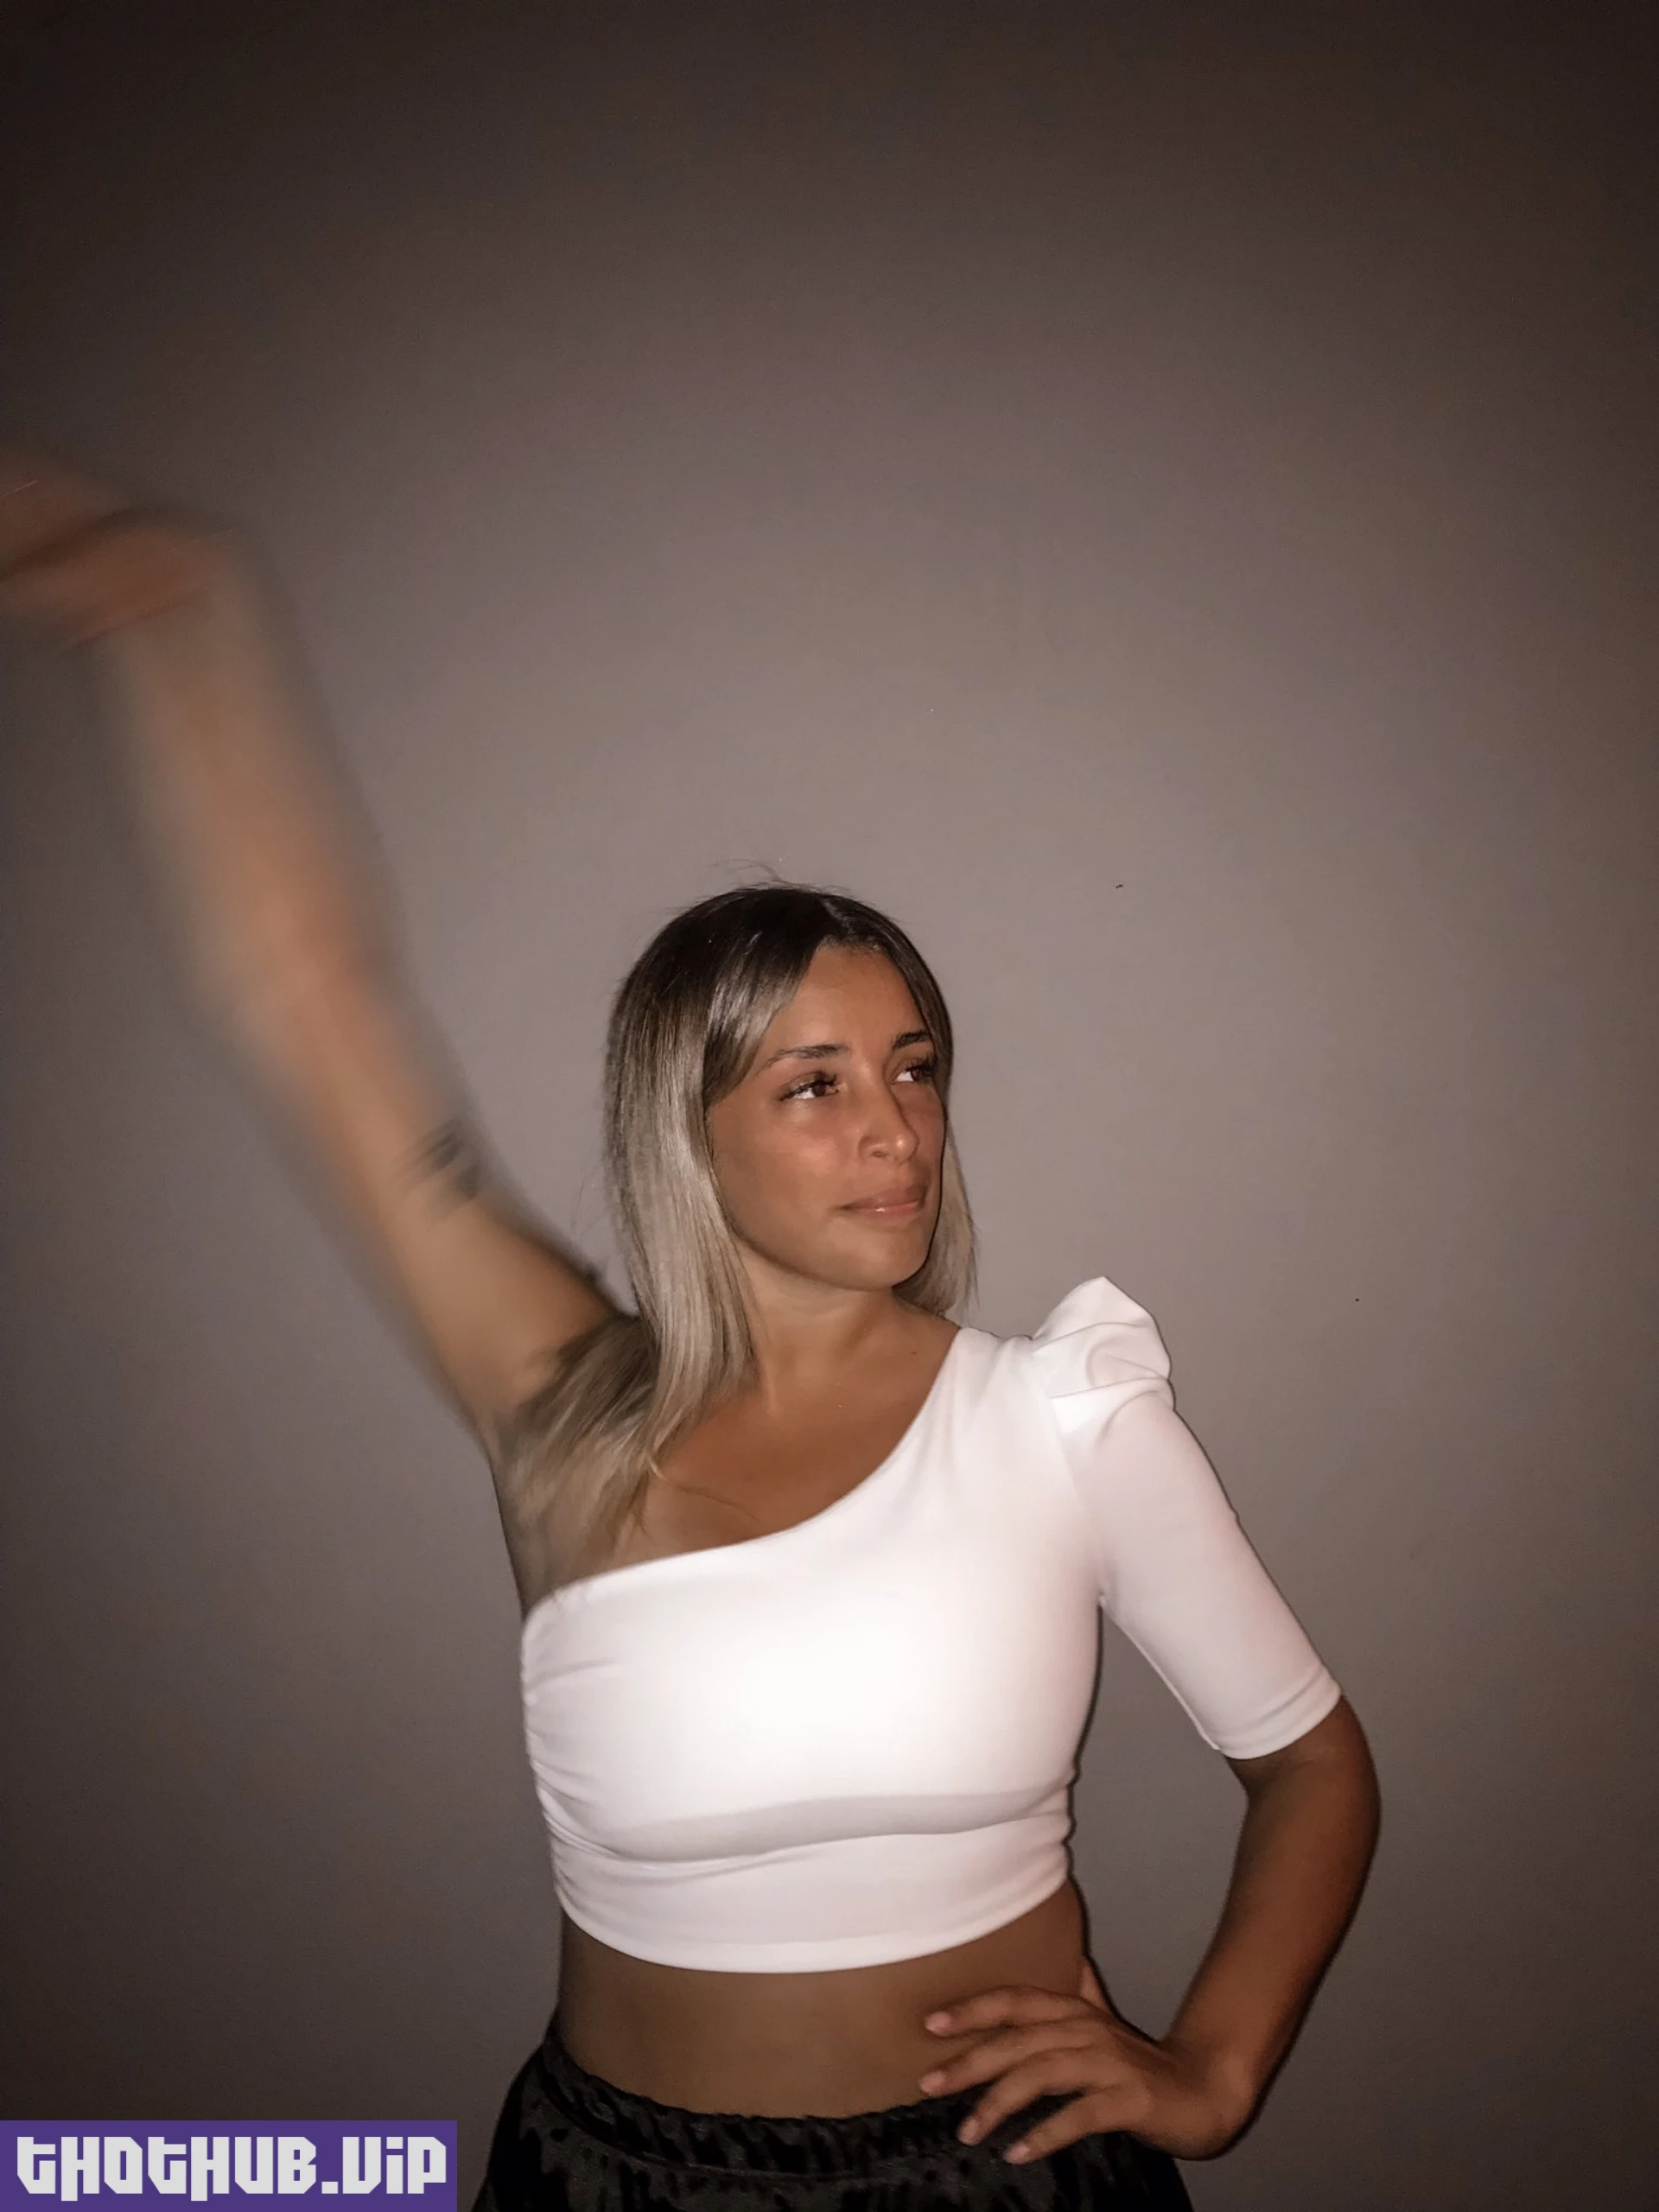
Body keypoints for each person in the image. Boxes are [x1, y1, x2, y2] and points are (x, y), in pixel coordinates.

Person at [1, 450, 1381, 2212]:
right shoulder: (565, 1408)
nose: (895, 1127)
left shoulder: (1062, 1422)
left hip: (998, 2182)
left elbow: (1313, 1763)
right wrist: (166, 599)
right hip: (610, 2173)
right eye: (816, 1083)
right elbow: (315, 1003)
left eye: (914, 1069)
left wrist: (1214, 2069)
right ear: (690, 1128)